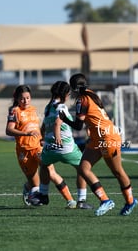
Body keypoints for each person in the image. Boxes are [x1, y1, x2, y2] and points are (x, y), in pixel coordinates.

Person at [59, 73, 138, 216]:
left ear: (74, 88)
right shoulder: (91, 94)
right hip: (98, 138)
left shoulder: (82, 100)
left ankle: (130, 201)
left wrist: (64, 119)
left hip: (106, 138)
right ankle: (105, 200)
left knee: (117, 171)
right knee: (83, 169)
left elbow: (77, 125)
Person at [30, 81, 93, 209]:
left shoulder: (48, 107)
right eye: (69, 93)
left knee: (44, 165)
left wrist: (42, 138)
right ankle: (81, 200)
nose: (69, 96)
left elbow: (44, 125)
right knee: (83, 169)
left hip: (50, 147)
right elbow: (58, 123)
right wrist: (58, 136)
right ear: (65, 94)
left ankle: (43, 195)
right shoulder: (62, 107)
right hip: (66, 147)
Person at [5, 85, 42, 205]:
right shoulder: (14, 111)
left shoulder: (33, 109)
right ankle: (28, 188)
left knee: (49, 169)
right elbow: (9, 130)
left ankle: (70, 201)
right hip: (23, 150)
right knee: (34, 182)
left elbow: (37, 128)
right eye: (22, 98)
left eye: (28, 98)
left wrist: (42, 139)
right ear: (17, 99)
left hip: (37, 147)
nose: (25, 101)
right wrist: (26, 133)